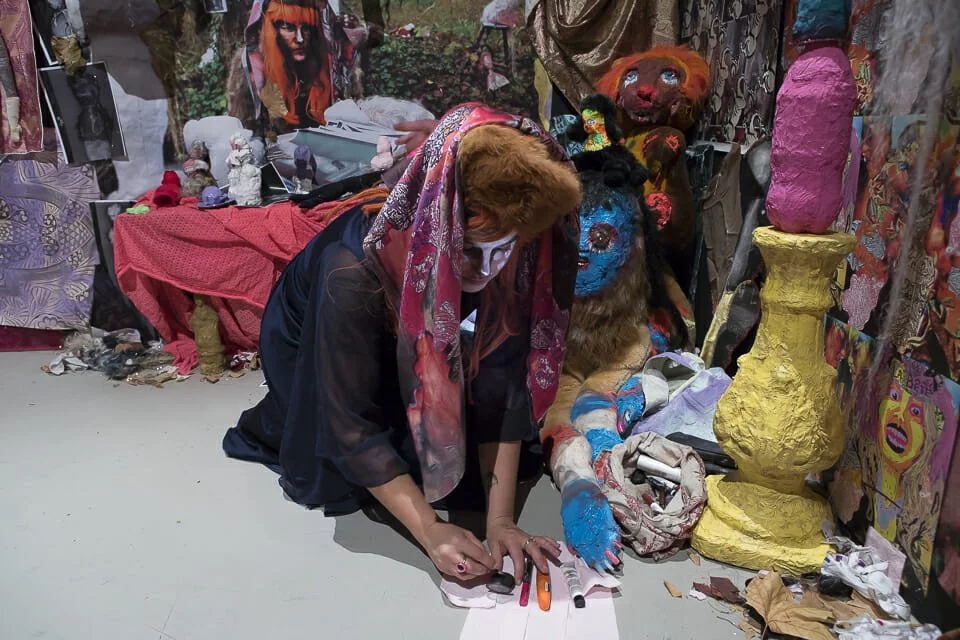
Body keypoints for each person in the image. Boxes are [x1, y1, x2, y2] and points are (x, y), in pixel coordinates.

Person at [223, 104, 582, 580]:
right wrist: (430, 530)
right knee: (348, 459)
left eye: (505, 248)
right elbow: (351, 426)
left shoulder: (498, 256)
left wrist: (500, 520)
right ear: (436, 222)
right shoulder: (349, 274)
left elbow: (504, 377)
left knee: (460, 453)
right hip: (321, 343)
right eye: (472, 249)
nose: (486, 269)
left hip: (410, 339)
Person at [237, 0, 366, 130]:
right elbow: (248, 132)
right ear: (271, 31)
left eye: (306, 28)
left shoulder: (336, 67)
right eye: (288, 27)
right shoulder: (254, 70)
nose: (300, 39)